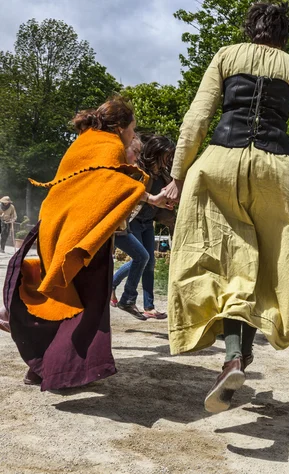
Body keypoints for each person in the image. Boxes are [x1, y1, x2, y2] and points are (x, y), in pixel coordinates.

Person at [162, 2, 289, 413]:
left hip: (219, 160)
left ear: (249, 28)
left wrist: (179, 172)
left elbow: (196, 118)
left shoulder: (226, 55)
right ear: (284, 34)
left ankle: (234, 355)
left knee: (220, 259)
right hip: (275, 169)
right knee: (267, 265)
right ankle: (241, 355)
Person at [2, 96, 171, 390]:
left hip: (56, 225)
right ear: (119, 127)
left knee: (62, 297)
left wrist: (144, 192)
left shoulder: (84, 140)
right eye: (131, 130)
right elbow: (111, 182)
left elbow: (101, 179)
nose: (133, 136)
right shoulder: (109, 145)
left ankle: (40, 368)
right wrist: (147, 191)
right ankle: (61, 371)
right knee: (85, 304)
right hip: (81, 235)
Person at [111, 135, 176, 320]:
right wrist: (151, 198)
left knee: (149, 262)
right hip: (133, 220)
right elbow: (130, 190)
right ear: (158, 153)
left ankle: (149, 306)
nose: (169, 158)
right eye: (167, 154)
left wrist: (164, 204)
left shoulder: (162, 173)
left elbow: (162, 195)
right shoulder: (139, 169)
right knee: (142, 258)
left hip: (148, 221)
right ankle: (116, 286)